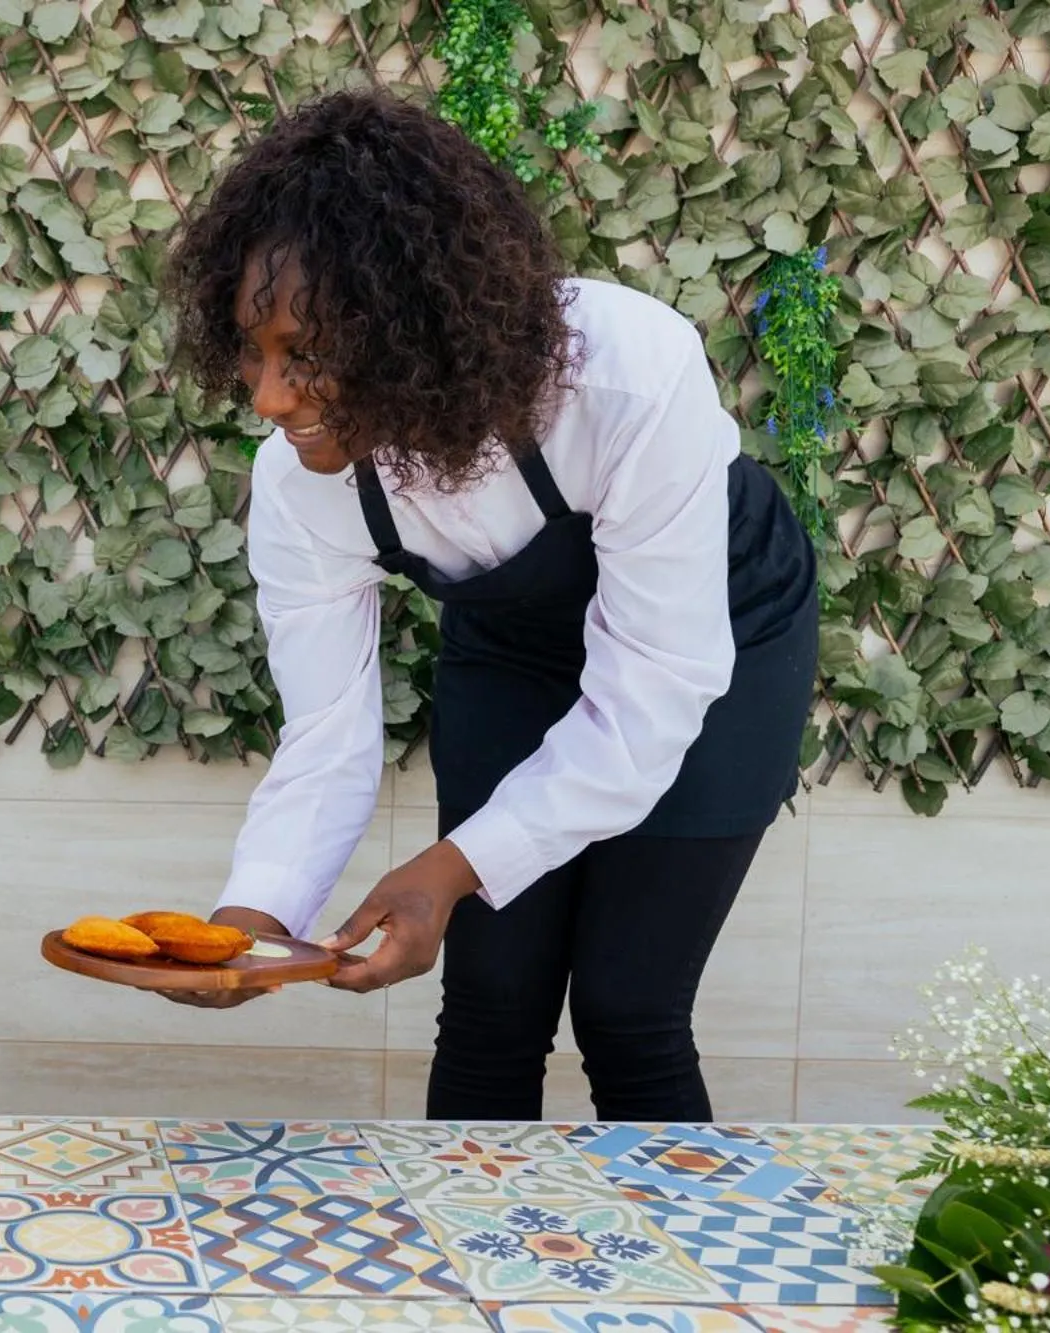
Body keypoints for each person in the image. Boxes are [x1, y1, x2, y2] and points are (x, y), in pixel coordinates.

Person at [159, 88, 819, 1122]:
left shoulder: (625, 379)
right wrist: (252, 920)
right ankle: (461, 1282)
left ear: (416, 336)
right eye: (253, 350)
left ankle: (657, 1283)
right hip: (511, 652)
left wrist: (451, 867)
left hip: (715, 644)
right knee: (490, 997)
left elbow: (650, 686)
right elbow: (328, 734)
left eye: (309, 357)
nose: (267, 400)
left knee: (627, 1002)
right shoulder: (300, 485)